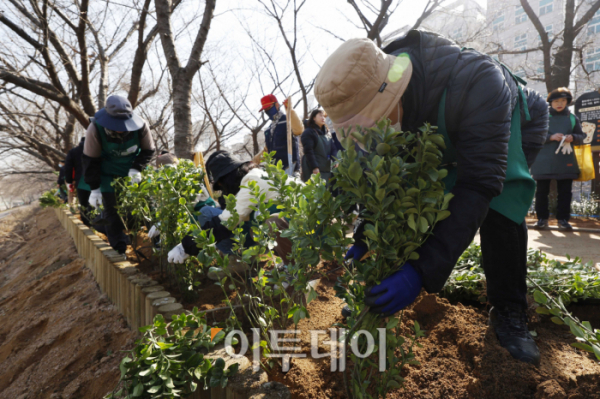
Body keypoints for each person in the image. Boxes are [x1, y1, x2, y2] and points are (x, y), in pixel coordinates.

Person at [315, 31, 548, 365]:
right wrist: (366, 231)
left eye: (370, 123)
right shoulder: (390, 104)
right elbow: (388, 183)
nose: (369, 137)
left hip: (517, 122)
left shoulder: (477, 81)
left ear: (394, 93)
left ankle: (510, 311)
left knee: (499, 211)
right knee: (421, 199)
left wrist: (421, 271)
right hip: (449, 133)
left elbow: (479, 183)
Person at [167, 150, 299, 280]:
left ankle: (296, 271)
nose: (222, 188)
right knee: (256, 227)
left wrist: (185, 246)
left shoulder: (252, 181)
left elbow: (226, 222)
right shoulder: (255, 176)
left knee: (269, 224)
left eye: (221, 184)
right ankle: (241, 261)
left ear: (227, 177)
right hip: (296, 228)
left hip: (302, 232)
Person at [82, 95, 155, 254]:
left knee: (149, 207)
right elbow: (90, 161)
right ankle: (119, 250)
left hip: (134, 173)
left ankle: (159, 243)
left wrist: (136, 168)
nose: (121, 128)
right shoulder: (95, 129)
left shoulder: (141, 125)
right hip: (109, 175)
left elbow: (149, 150)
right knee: (112, 213)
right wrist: (94, 189)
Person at [531, 88, 585, 231]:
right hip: (543, 160)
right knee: (541, 192)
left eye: (563, 100)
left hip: (565, 160)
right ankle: (542, 219)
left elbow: (581, 136)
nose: (559, 103)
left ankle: (563, 220)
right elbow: (533, 135)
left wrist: (573, 137)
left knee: (565, 192)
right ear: (550, 102)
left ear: (567, 102)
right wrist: (550, 137)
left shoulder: (573, 118)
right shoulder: (541, 116)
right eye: (556, 101)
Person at [253, 95, 303, 175]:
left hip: (290, 167)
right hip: (275, 171)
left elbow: (299, 130)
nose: (267, 111)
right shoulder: (268, 129)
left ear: (276, 105)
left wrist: (290, 111)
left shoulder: (288, 121)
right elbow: (267, 150)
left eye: (268, 108)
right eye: (265, 109)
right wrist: (254, 161)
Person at [300, 109, 343, 183]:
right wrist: (315, 167)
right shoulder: (308, 132)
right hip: (313, 171)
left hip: (326, 170)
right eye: (320, 115)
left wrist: (336, 160)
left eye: (324, 116)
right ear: (314, 118)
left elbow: (333, 149)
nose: (323, 118)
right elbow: (308, 151)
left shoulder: (327, 134)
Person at [64, 137, 92, 226]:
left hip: (80, 180)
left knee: (83, 202)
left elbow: (68, 168)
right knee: (95, 202)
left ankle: (87, 224)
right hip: (96, 179)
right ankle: (97, 222)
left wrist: (69, 181)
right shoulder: (96, 148)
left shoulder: (73, 152)